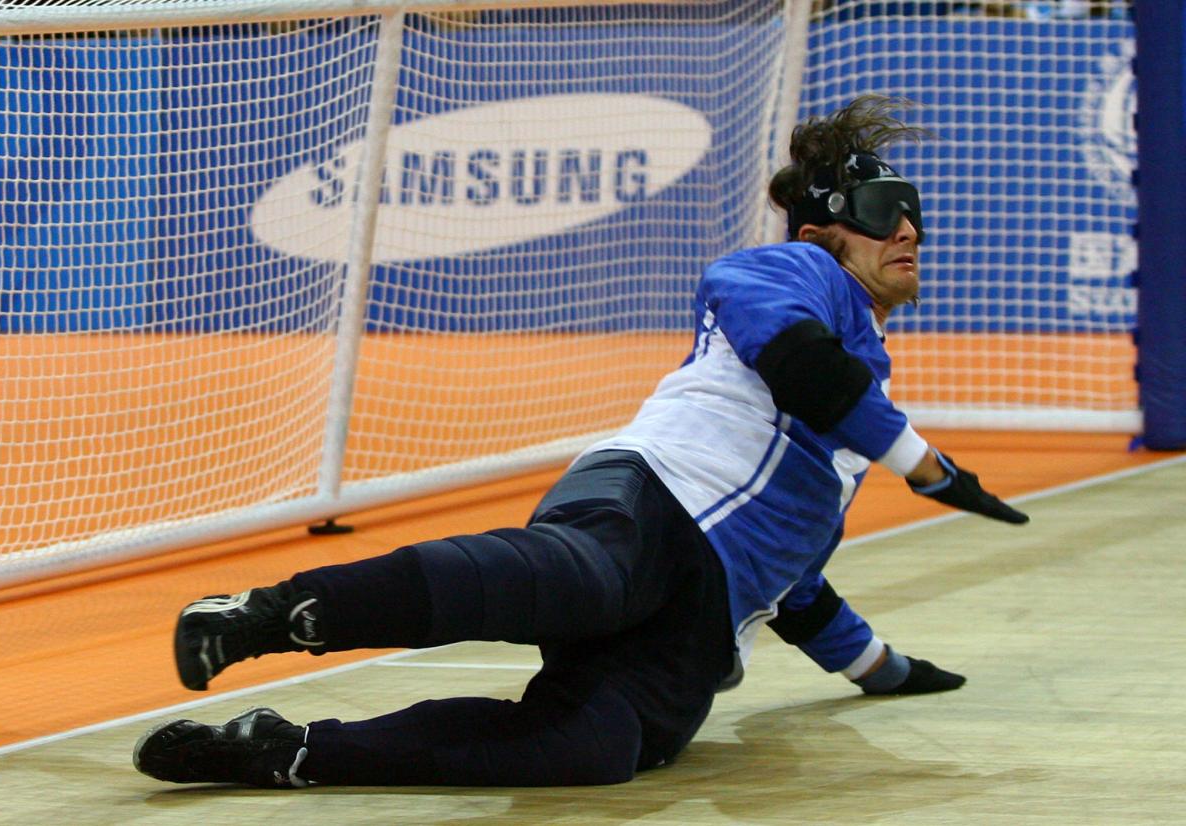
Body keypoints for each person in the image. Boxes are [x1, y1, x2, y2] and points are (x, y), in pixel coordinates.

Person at [133, 94, 1028, 790]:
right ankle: (260, 615)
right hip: (652, 500)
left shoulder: (860, 401)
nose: (906, 228)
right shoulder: (791, 274)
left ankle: (285, 753)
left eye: (911, 210)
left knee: (596, 747)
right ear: (821, 231)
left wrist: (887, 669)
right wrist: (927, 467)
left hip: (703, 614)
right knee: (585, 579)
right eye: (880, 208)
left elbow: (794, 586)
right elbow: (796, 364)